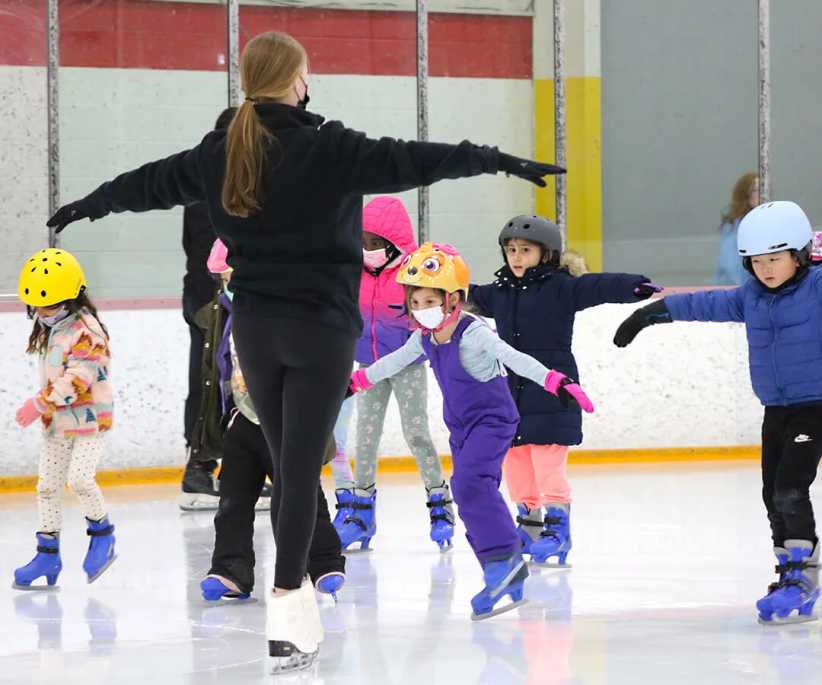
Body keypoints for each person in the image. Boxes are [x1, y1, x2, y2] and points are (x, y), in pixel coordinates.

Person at [45, 30, 563, 671]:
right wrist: (500, 160)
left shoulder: (221, 152)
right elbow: (416, 159)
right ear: (297, 80)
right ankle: (290, 609)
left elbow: (148, 183)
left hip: (257, 331)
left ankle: (291, 613)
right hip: (320, 331)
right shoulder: (329, 148)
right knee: (295, 473)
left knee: (288, 464)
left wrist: (89, 205)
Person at [348, 242, 595, 620]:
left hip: (494, 421)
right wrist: (355, 381)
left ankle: (505, 561)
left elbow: (515, 359)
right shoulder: (424, 338)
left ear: (453, 299)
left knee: (469, 485)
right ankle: (501, 572)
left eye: (429, 301)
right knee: (466, 495)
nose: (421, 310)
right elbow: (391, 363)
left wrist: (555, 381)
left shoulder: (473, 333)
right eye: (415, 303)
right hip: (461, 427)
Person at [614, 201, 820, 625]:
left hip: (815, 405)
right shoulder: (752, 297)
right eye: (757, 261)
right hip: (777, 407)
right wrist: (651, 314)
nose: (766, 269)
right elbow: (705, 304)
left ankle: (804, 576)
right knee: (771, 494)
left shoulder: (817, 289)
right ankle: (787, 572)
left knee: (789, 489)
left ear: (799, 255)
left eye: (775, 260)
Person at [469, 216, 659, 566]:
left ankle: (559, 531)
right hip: (510, 391)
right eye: (511, 250)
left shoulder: (560, 287)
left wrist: (633, 286)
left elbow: (596, 286)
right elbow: (463, 295)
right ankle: (529, 527)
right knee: (517, 461)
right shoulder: (500, 292)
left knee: (548, 462)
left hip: (553, 389)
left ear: (546, 254)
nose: (516, 256)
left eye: (525, 250)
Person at [199, 239, 345, 602]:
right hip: (244, 419)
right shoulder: (222, 313)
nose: (231, 283)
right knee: (233, 498)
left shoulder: (284, 311)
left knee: (299, 491)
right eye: (225, 277)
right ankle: (230, 568)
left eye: (236, 275)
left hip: (286, 418)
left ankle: (323, 561)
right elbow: (217, 369)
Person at [334, 196, 453, 552]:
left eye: (374, 243)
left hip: (407, 366)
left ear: (393, 244)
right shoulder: (354, 273)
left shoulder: (411, 275)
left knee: (416, 433)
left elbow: (437, 307)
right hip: (368, 368)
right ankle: (361, 515)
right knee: (365, 441)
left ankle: (440, 506)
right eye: (363, 242)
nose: (367, 250)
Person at [12, 248, 116, 589]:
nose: (44, 312)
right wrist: (46, 410)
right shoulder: (53, 328)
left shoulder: (87, 330)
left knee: (81, 479)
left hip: (88, 422)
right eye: (39, 306)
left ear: (72, 298)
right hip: (58, 424)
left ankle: (103, 535)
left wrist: (38, 404)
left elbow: (78, 379)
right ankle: (47, 554)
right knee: (47, 487)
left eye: (52, 305)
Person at [180, 106, 238, 510]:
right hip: (213, 298)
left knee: (224, 380)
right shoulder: (214, 184)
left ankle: (224, 468)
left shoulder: (213, 178)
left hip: (213, 295)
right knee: (214, 380)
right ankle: (202, 467)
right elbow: (213, 249)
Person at [716, 172, 759, 285]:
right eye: (755, 190)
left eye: (764, 189)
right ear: (745, 194)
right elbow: (730, 262)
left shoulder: (764, 219)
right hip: (735, 288)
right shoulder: (734, 223)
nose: (761, 194)